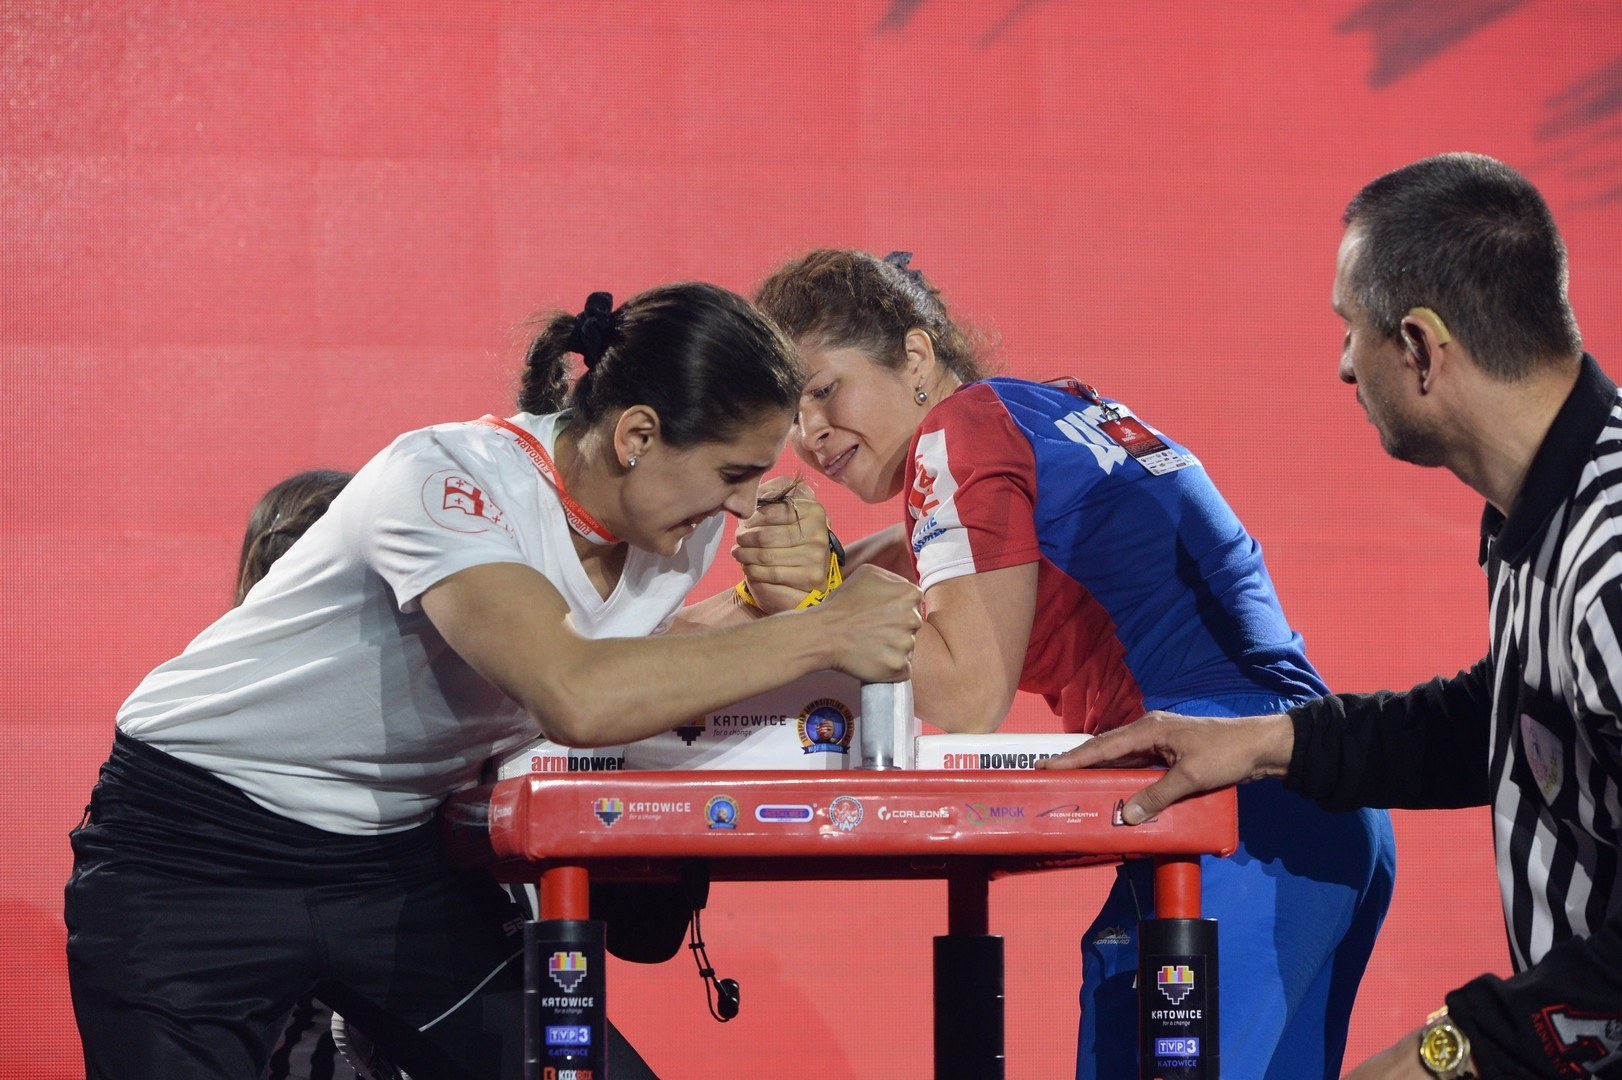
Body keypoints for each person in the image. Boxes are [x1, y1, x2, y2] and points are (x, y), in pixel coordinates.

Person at [65, 281, 923, 1080]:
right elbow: (578, 693)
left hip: (390, 868)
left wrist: (764, 604)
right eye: (734, 474)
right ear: (636, 436)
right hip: (188, 854)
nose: (743, 502)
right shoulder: (446, 480)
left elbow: (626, 658)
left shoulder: (674, 524)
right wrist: (825, 630)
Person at [1045, 152, 1622, 1079]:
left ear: (1422, 348)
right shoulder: (1547, 508)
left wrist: (1447, 1054)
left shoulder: (1609, 567)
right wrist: (1269, 742)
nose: (1343, 365)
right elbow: (1512, 715)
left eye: (1351, 331)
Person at [754, 250, 1398, 1080]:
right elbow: (863, 576)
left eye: (820, 391)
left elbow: (968, 691)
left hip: (1231, 823)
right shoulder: (1036, 413)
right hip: (1312, 817)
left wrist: (812, 609)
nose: (811, 435)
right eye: (790, 419)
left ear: (915, 357)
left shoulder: (960, 434)